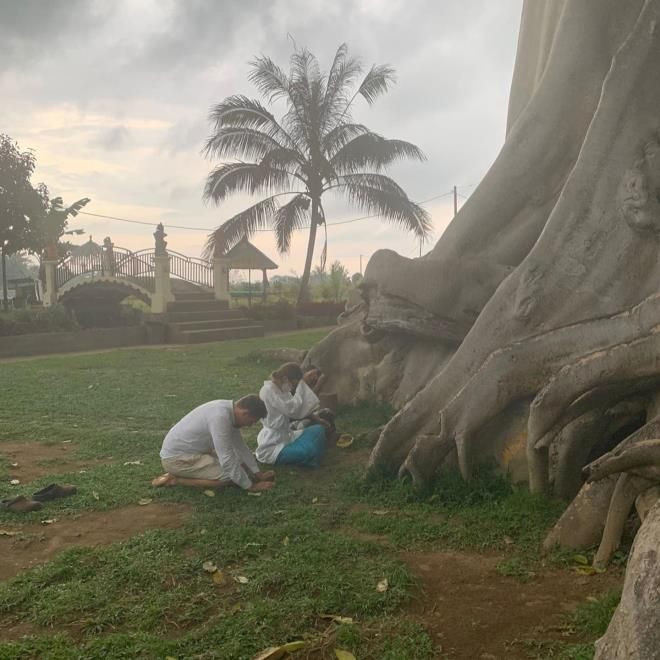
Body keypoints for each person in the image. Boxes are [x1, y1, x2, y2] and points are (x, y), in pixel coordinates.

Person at [152, 394, 274, 492]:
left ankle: (184, 473)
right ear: (245, 413)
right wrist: (250, 487)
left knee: (238, 466)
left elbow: (240, 446)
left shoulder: (229, 411)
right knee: (229, 476)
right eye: (251, 422)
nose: (249, 426)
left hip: (195, 453)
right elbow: (226, 457)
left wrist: (258, 474)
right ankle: (176, 479)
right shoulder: (220, 417)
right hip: (177, 460)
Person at [256, 363, 329, 468]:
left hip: (288, 435)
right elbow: (293, 410)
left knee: (318, 429)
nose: (291, 388)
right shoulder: (268, 391)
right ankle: (306, 453)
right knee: (309, 451)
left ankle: (306, 453)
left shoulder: (281, 390)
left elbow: (297, 408)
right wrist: (302, 387)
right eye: (292, 384)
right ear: (285, 378)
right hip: (273, 443)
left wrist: (317, 419)